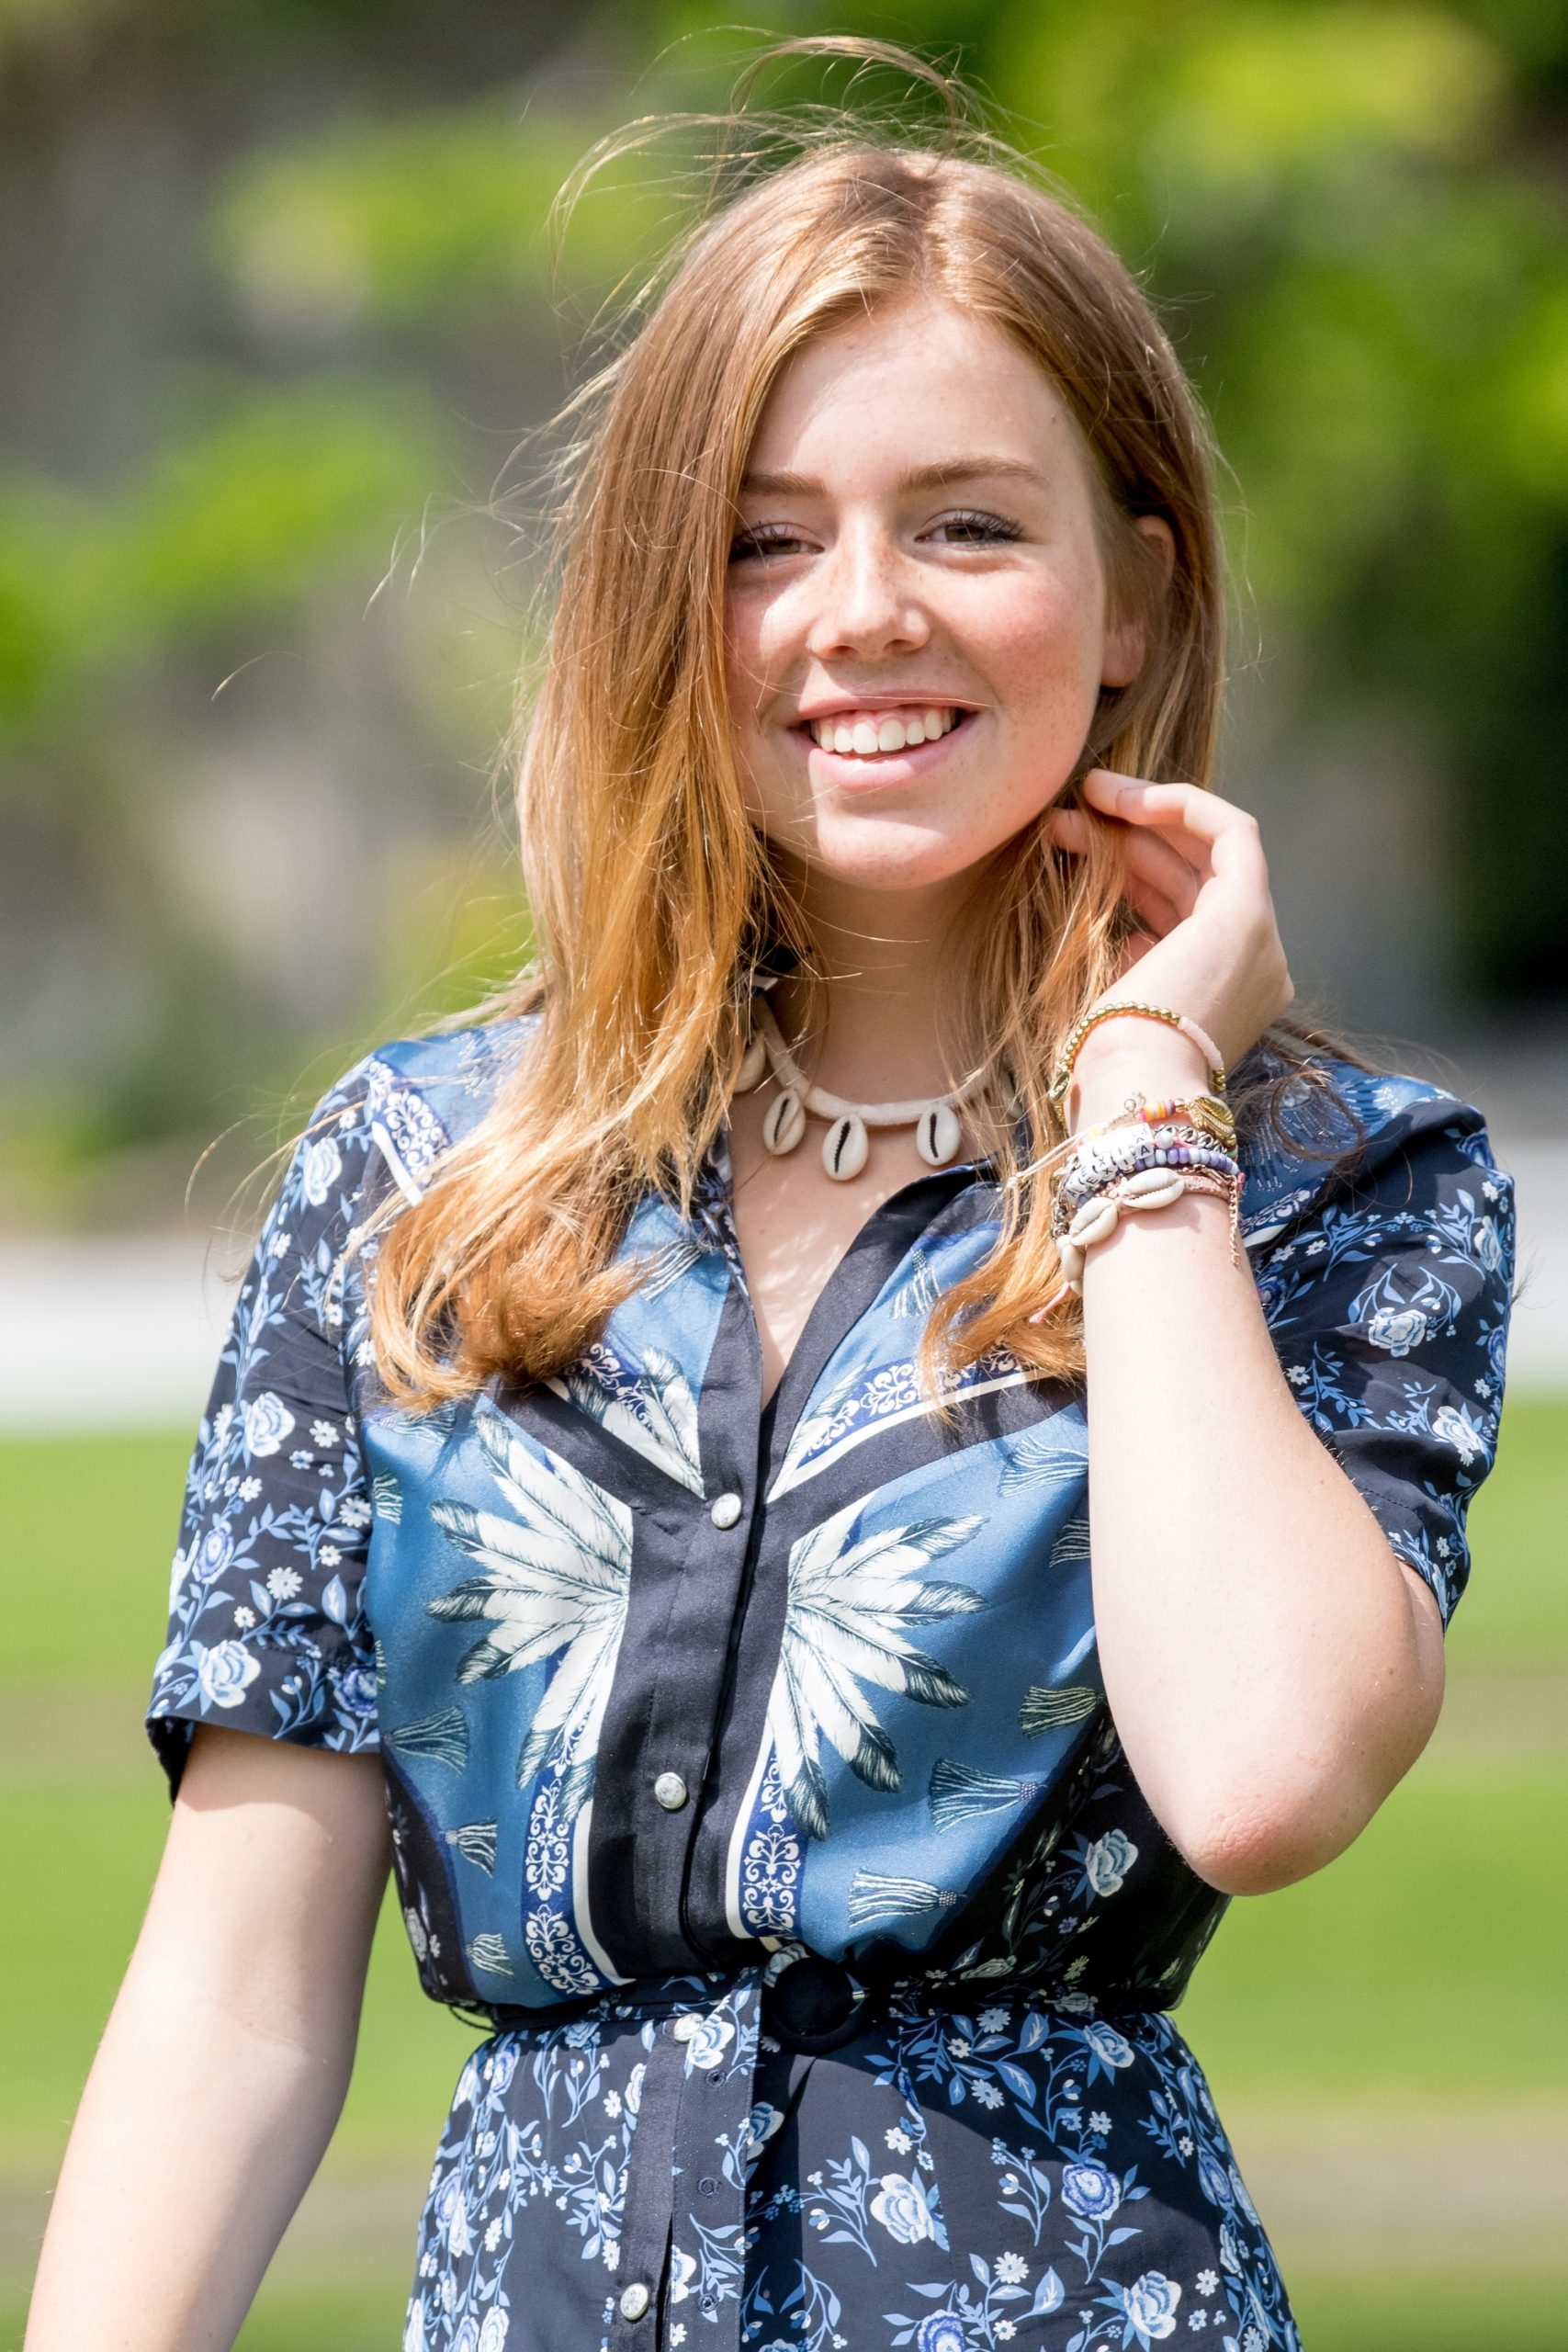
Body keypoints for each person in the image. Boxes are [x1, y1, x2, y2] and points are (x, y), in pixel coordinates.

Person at [26, 61, 1516, 2352]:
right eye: (762, 536)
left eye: (965, 525)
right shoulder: (420, 1182)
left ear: (1132, 594)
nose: (859, 615)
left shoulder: (1326, 1183)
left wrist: (1138, 1098)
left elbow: (1261, 1768)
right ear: (658, 598)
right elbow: (230, 1997)